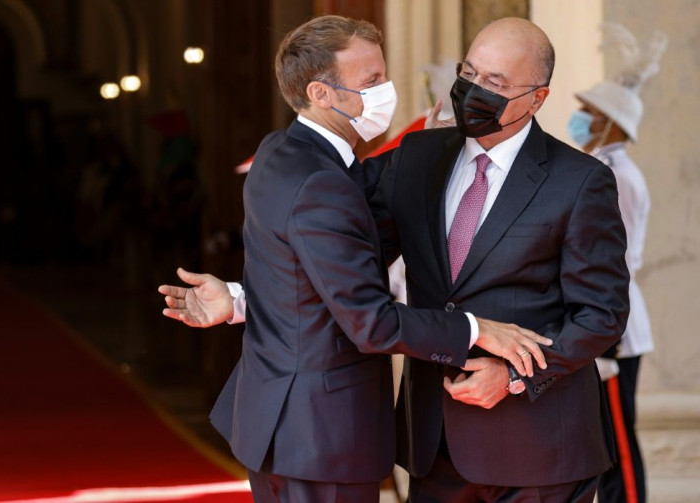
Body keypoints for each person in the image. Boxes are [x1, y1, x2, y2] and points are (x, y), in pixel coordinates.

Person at [162, 16, 630, 502]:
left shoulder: (581, 181)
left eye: (494, 82)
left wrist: (515, 375)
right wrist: (242, 297)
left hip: (537, 447)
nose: (473, 90)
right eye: (468, 73)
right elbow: (336, 257)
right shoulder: (419, 155)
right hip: (433, 441)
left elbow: (602, 315)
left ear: (537, 97)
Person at [567, 22, 666, 503]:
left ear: (608, 122)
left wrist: (604, 338)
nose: (579, 118)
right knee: (607, 440)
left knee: (619, 445)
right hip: (610, 325)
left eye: (587, 112)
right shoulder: (606, 170)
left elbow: (615, 261)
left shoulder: (617, 177)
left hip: (617, 330)